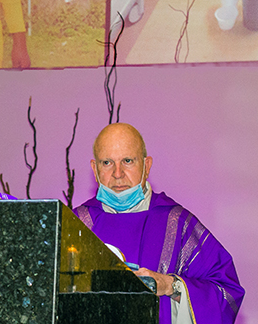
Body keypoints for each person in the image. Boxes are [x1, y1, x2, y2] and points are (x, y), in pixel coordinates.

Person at [74, 123, 244, 324]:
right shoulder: (77, 226)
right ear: (95, 169)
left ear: (146, 166)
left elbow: (226, 292)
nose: (117, 173)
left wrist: (171, 286)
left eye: (128, 161)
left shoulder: (177, 223)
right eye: (107, 163)